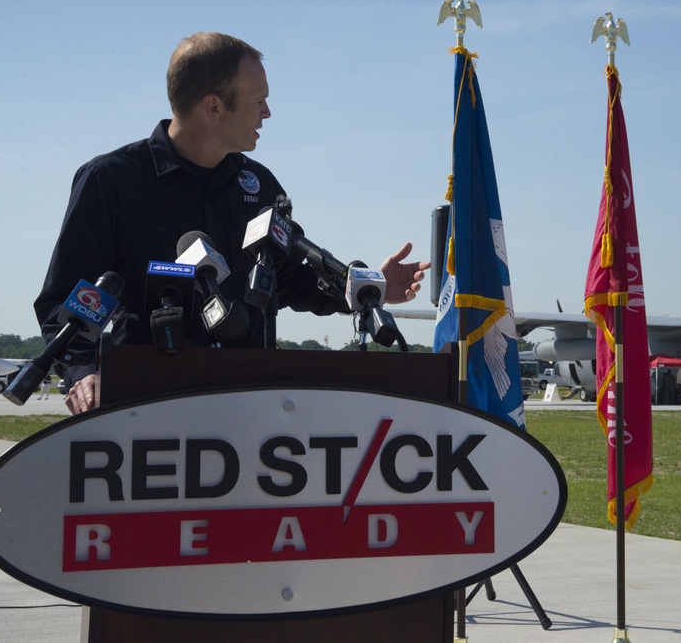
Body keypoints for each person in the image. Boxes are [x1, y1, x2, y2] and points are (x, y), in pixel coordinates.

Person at [34, 32, 430, 415]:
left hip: (248, 402)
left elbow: (288, 279)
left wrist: (364, 290)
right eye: (258, 101)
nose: (267, 112)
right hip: (145, 403)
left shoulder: (260, 187)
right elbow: (70, 296)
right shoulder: (112, 181)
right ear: (214, 107)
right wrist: (81, 373)